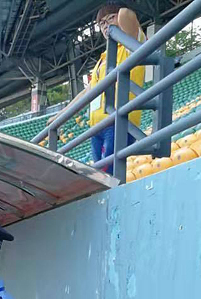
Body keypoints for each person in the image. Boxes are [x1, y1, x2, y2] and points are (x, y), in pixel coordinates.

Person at [57, 4, 145, 175]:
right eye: (102, 24)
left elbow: (126, 15)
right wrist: (60, 115)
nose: (106, 25)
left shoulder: (131, 43)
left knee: (106, 175)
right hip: (97, 127)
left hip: (117, 121)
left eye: (111, 18)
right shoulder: (103, 60)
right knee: (102, 175)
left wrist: (116, 18)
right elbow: (87, 92)